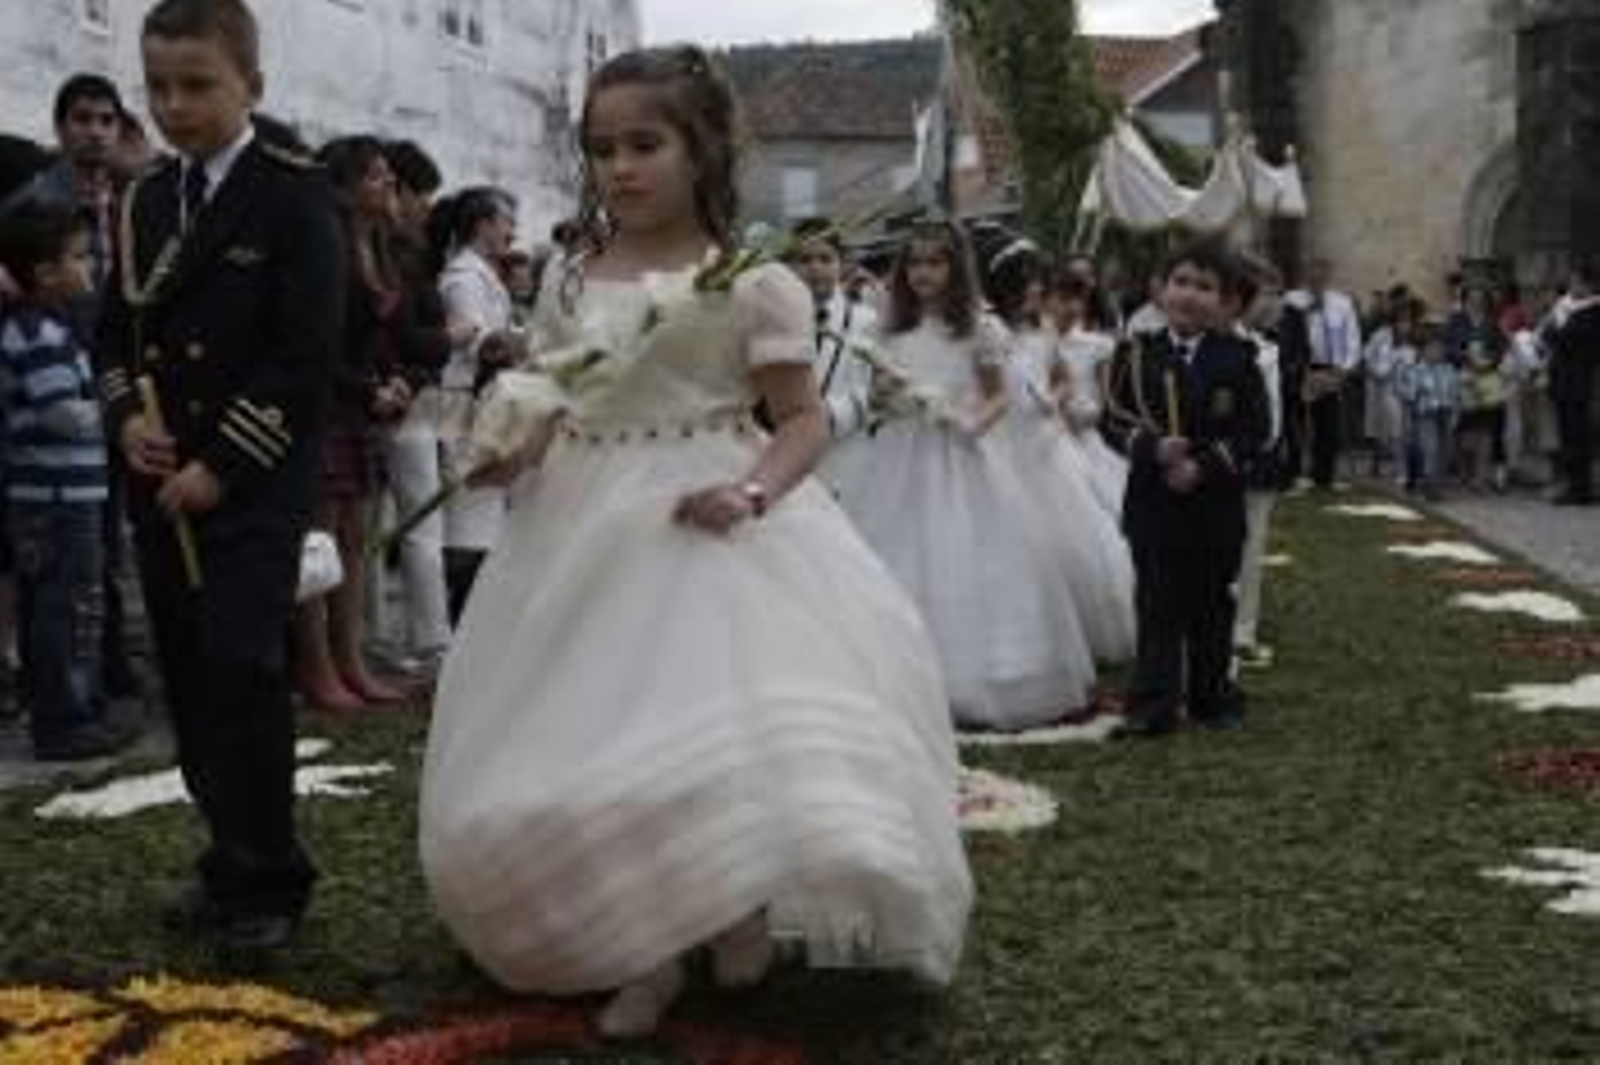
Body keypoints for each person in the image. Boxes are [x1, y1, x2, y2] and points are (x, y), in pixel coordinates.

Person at [419, 45, 971, 1039]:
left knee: (707, 728)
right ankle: (648, 943)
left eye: (644, 144)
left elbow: (800, 421)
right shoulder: (569, 275)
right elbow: (554, 395)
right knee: (593, 730)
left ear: (701, 147)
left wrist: (751, 491)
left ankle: (729, 901)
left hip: (704, 508)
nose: (620, 168)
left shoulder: (753, 283)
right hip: (579, 523)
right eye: (600, 150)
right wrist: (505, 449)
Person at [98, 0, 343, 950]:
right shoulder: (147, 199)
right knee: (193, 675)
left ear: (253, 84)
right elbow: (113, 333)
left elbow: (306, 350)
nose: (174, 105)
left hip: (250, 480)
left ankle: (271, 879)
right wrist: (126, 421)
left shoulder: (293, 191)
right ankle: (227, 859)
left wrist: (220, 462)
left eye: (198, 85)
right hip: (160, 482)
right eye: (158, 86)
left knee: (243, 667)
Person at [843, 219, 1095, 728]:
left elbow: (998, 393)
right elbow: (877, 396)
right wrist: (891, 401)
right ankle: (890, 672)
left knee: (965, 553)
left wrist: (969, 423)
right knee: (895, 549)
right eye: (914, 263)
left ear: (956, 268)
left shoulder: (979, 328)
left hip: (960, 453)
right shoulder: (886, 329)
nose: (923, 273)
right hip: (900, 451)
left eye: (935, 262)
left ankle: (975, 676)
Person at [1107, 241, 1270, 738]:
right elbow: (1111, 419)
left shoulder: (1239, 359)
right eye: (1181, 282)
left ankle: (1210, 697)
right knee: (1156, 603)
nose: (1190, 295)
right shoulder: (1135, 354)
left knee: (1211, 604)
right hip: (1154, 504)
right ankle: (1152, 704)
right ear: (1160, 290)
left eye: (1205, 287)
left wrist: (1203, 466)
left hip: (1213, 506)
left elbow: (1253, 430)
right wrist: (1151, 448)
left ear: (1225, 301)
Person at [0, 203, 139, 760]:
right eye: (80, 257)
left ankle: (71, 706)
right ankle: (65, 720)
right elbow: (62, 413)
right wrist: (117, 417)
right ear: (45, 271)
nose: (91, 268)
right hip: (55, 500)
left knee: (63, 603)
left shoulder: (51, 326)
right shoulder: (38, 333)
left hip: (59, 496)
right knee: (66, 606)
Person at [290, 136, 409, 713]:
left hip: (362, 409)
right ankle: (317, 668)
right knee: (320, 546)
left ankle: (353, 658)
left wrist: (394, 379)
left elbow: (381, 337)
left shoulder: (380, 246)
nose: (388, 184)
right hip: (323, 408)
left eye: (388, 175)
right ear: (342, 186)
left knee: (358, 544)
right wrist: (371, 388)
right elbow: (318, 343)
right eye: (375, 176)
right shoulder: (327, 245)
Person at [978, 234, 1134, 665]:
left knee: (1074, 541)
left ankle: (1080, 630)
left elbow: (1062, 375)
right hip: (1002, 445)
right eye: (1027, 281)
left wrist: (1056, 396)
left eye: (1038, 281)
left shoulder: (1041, 331)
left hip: (1045, 447)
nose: (1035, 290)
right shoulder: (986, 330)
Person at [429, 185, 519, 619]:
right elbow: (480, 342)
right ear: (483, 225)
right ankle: (459, 614)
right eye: (506, 222)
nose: (512, 232)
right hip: (462, 404)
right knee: (467, 513)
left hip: (482, 401)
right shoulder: (464, 278)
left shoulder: (483, 273)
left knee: (482, 512)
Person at [786, 215, 876, 505]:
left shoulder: (866, 321)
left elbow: (874, 392)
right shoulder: (773, 319)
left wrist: (827, 415)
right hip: (781, 457)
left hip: (841, 457)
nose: (815, 268)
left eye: (825, 259)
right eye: (804, 260)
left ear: (843, 264)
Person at [1287, 259, 1362, 488]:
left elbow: (1353, 341)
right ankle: (1293, 472)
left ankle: (1323, 476)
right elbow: (1285, 335)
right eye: (1312, 271)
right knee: (1295, 423)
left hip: (1331, 369)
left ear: (1328, 275)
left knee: (1328, 426)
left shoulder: (1342, 303)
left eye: (1321, 271)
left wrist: (1343, 371)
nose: (1316, 276)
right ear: (1305, 273)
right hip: (1300, 368)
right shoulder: (1291, 300)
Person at [1546, 260, 1599, 505]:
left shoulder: (1591, 312)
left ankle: (1581, 490)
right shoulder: (1570, 309)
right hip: (1564, 382)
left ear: (1588, 285)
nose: (1570, 286)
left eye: (1575, 282)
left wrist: (1556, 327)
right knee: (1569, 437)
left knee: (1578, 439)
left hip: (1578, 384)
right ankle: (1575, 486)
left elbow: (1569, 340)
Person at [1396, 325, 1461, 501]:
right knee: (1429, 448)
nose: (1437, 352)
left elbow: (1456, 395)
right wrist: (1415, 392)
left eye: (1440, 348)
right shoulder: (1416, 369)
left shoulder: (1449, 370)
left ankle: (1438, 483)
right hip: (1425, 415)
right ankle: (1429, 485)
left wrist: (1456, 412)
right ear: (1422, 350)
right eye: (1432, 348)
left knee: (1445, 450)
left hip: (1445, 413)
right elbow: (1405, 391)